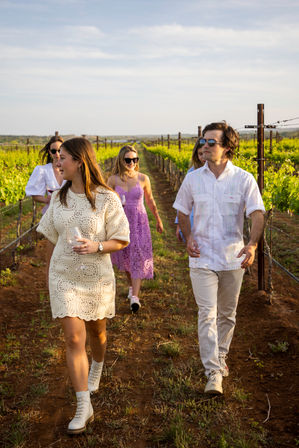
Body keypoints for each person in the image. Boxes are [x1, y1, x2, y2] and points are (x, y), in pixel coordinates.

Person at [37, 137, 130, 434]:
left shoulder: (106, 198)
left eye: (62, 157)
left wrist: (97, 246)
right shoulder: (59, 198)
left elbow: (122, 237)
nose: (57, 162)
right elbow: (51, 235)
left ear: (79, 162)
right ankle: (83, 406)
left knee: (97, 333)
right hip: (63, 275)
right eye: (57, 157)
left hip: (96, 277)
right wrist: (56, 267)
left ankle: (98, 367)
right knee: (74, 340)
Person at [173, 122, 265, 395]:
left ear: (227, 147)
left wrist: (252, 244)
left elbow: (257, 213)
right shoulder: (193, 178)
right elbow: (181, 210)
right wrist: (188, 237)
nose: (205, 145)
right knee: (207, 313)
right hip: (201, 258)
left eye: (211, 142)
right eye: (203, 141)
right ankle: (213, 371)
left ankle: (221, 356)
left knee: (227, 314)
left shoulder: (244, 179)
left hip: (232, 257)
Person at [108, 145, 163, 312]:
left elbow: (151, 200)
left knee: (138, 256)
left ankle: (135, 298)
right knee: (125, 255)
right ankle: (132, 287)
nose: (132, 162)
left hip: (139, 221)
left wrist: (158, 219)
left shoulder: (143, 178)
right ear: (121, 160)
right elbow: (106, 202)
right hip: (121, 221)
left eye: (135, 159)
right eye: (128, 160)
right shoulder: (113, 180)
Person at [25, 135, 65, 214]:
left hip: (70, 213)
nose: (57, 154)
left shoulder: (72, 168)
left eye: (59, 150)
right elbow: (35, 195)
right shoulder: (43, 170)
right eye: (53, 151)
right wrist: (47, 200)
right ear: (50, 152)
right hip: (51, 213)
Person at [175, 138, 205, 242]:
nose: (203, 157)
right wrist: (179, 224)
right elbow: (182, 201)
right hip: (193, 221)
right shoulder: (192, 173)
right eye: (200, 154)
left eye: (205, 153)